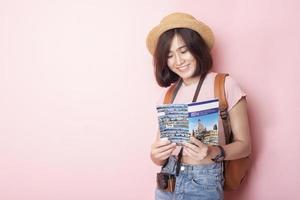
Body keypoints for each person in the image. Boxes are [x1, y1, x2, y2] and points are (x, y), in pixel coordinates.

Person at [146, 12, 251, 200]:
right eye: (169, 55)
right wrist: (155, 154)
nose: (178, 61)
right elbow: (158, 158)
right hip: (167, 182)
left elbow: (245, 146)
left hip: (204, 181)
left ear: (197, 48)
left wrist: (213, 152)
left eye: (184, 50)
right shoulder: (168, 94)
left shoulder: (224, 84)